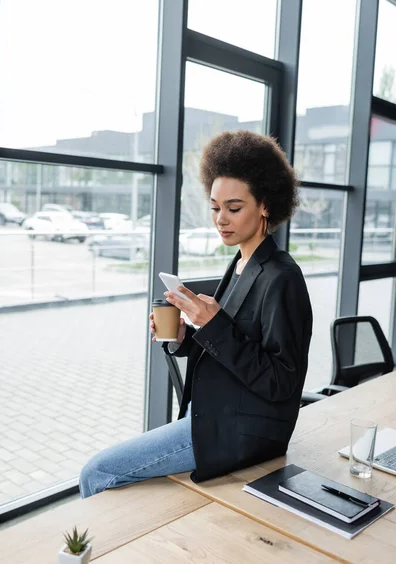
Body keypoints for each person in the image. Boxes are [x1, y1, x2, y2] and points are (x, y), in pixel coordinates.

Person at [79, 130, 312, 498]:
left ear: (265, 205)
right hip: (211, 415)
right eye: (215, 207)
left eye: (234, 208)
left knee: (96, 472)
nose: (221, 219)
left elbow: (282, 383)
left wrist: (213, 324)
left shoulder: (282, 278)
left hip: (241, 429)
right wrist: (185, 337)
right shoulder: (241, 263)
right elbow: (232, 345)